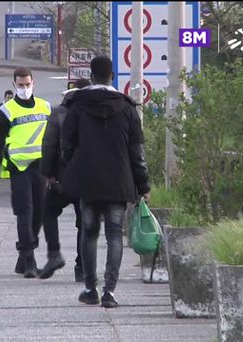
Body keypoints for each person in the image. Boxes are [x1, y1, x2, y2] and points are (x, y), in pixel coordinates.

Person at [61, 56, 151, 308]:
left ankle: (90, 288)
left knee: (88, 233)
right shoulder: (126, 108)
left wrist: (74, 166)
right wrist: (143, 186)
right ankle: (109, 291)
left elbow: (66, 144)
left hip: (88, 181)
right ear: (112, 75)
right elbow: (137, 154)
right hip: (118, 182)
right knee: (114, 235)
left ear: (91, 76)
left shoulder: (77, 106)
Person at [0, 66, 51, 278]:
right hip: (18, 168)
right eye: (20, 85)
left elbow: (54, 138)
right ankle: (29, 261)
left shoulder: (45, 107)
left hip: (41, 168)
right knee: (25, 213)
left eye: (27, 84)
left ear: (34, 83)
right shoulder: (6, 111)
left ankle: (23, 258)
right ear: (14, 85)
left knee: (39, 214)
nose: (24, 88)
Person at [37, 78, 91, 281]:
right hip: (88, 179)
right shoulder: (94, 112)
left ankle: (54, 254)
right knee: (84, 222)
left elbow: (49, 144)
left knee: (48, 211)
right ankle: (82, 267)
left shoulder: (60, 112)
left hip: (63, 178)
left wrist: (48, 174)